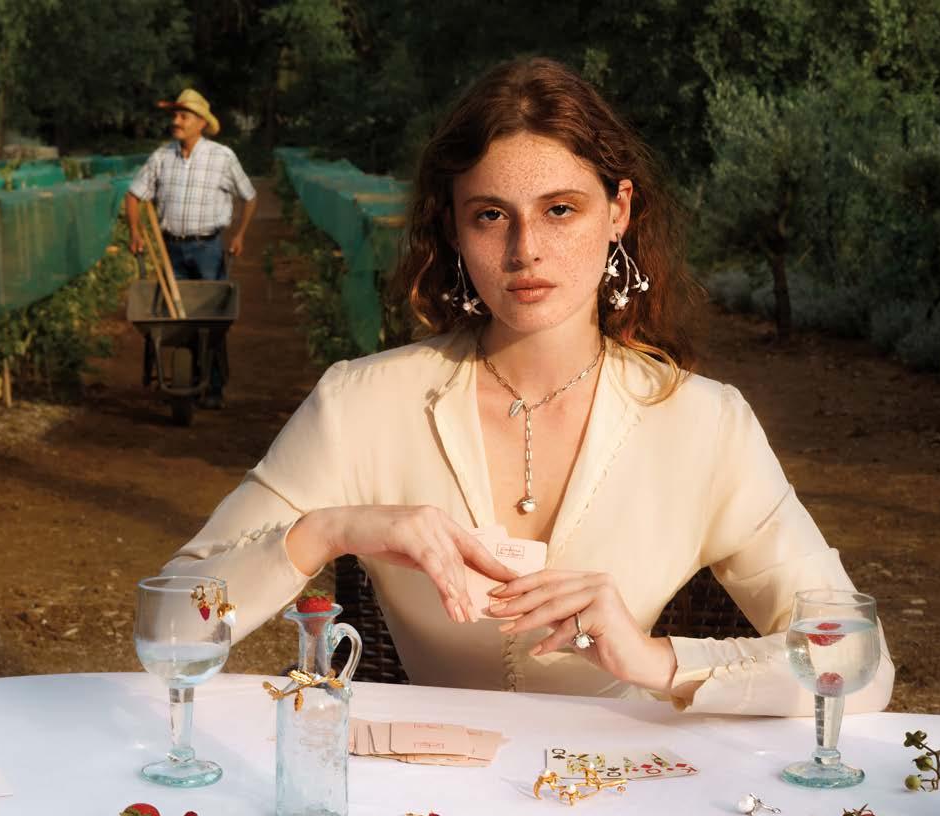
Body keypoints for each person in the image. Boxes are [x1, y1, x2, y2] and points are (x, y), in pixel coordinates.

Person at [161, 59, 894, 715]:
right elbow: (169, 628)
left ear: (619, 210)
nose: (526, 250)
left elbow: (859, 663)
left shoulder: (707, 424)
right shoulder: (359, 403)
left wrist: (654, 660)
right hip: (419, 803)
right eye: (490, 216)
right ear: (453, 228)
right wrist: (326, 532)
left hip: (623, 798)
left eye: (560, 209)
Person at [126, 88, 257, 409]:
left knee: (211, 321)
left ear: (201, 123)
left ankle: (214, 386)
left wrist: (239, 235)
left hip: (207, 247)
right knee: (174, 317)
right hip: (170, 248)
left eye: (183, 116)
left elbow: (249, 196)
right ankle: (179, 377)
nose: (176, 121)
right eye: (175, 115)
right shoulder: (162, 157)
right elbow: (134, 195)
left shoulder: (222, 157)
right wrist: (136, 231)